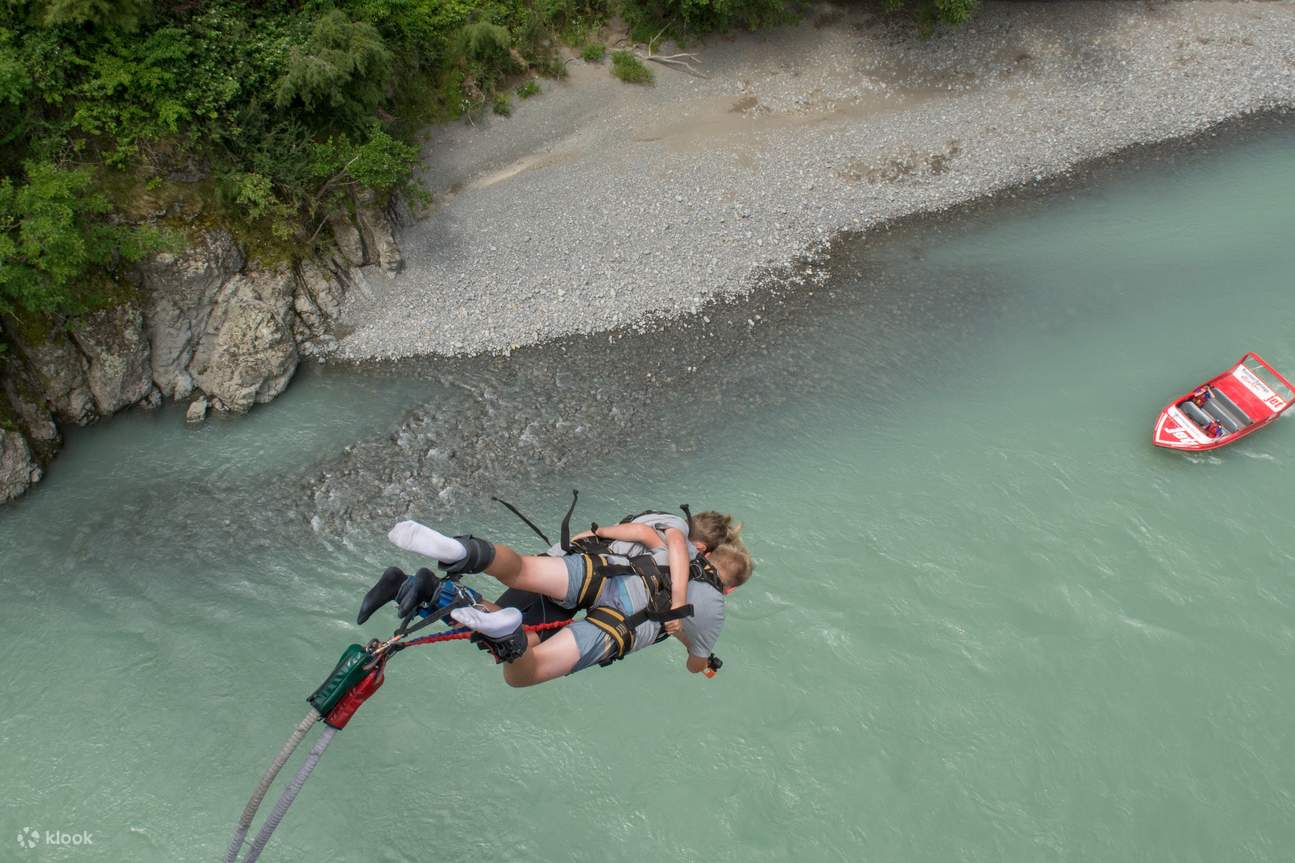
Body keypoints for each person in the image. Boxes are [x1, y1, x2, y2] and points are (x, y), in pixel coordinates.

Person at [358, 514, 752, 687]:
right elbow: (694, 662)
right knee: (523, 671)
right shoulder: (714, 610)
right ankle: (507, 635)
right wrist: (698, 653)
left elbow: (645, 539)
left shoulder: (674, 542)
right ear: (730, 589)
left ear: (709, 554)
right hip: (621, 622)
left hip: (602, 568)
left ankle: (463, 551)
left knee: (521, 570)